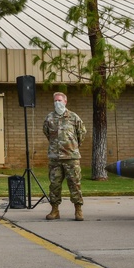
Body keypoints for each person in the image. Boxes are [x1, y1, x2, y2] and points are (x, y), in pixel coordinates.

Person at [42, 91, 86, 221]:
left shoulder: (73, 117)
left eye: (60, 100)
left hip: (71, 157)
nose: (57, 103)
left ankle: (78, 210)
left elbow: (81, 134)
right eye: (55, 101)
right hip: (55, 158)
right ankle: (55, 210)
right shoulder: (49, 118)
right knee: (54, 185)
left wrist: (72, 146)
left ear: (65, 102)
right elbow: (47, 134)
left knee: (75, 184)